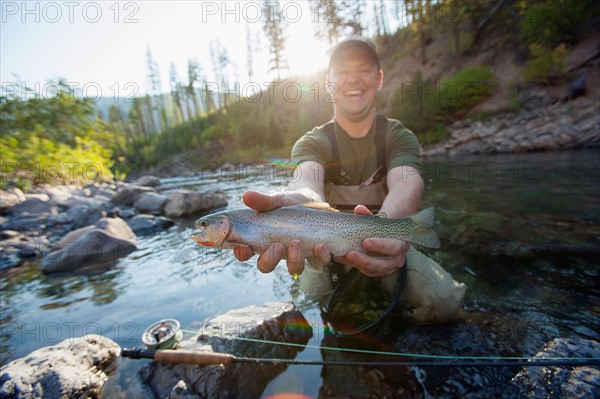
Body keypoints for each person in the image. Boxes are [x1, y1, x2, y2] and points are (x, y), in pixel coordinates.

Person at [235, 36, 466, 325]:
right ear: (329, 82)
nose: (353, 79)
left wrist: (387, 227)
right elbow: (305, 181)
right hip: (320, 249)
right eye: (342, 71)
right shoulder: (313, 142)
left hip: (385, 240)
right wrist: (301, 200)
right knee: (309, 305)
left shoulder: (397, 136)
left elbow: (408, 182)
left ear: (379, 78)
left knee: (445, 304)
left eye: (364, 69)